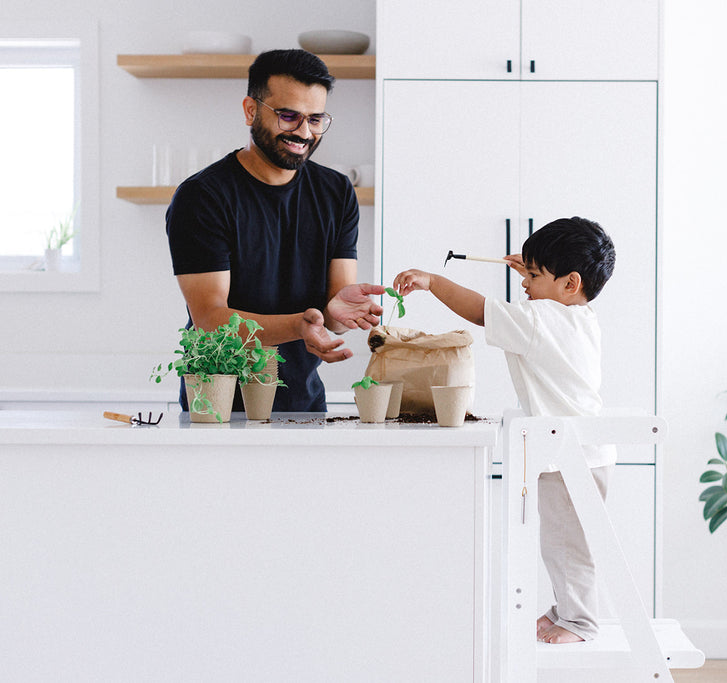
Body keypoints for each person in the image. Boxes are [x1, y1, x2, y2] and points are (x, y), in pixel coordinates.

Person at [393, 216, 617, 644]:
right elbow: (542, 306)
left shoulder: (539, 319)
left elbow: (481, 311)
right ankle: (565, 609)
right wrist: (539, 276)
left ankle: (581, 621)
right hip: (580, 452)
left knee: (569, 546)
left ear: (570, 283)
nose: (524, 283)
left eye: (532, 275)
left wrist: (433, 281)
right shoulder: (579, 316)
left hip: (572, 455)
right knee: (562, 542)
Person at [165, 49, 385, 412]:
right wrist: (299, 326)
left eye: (316, 119)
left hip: (303, 404)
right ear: (251, 110)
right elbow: (210, 320)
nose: (304, 132)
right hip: (218, 406)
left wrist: (339, 311)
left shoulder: (337, 192)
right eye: (288, 116)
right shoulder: (203, 196)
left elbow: (332, 311)